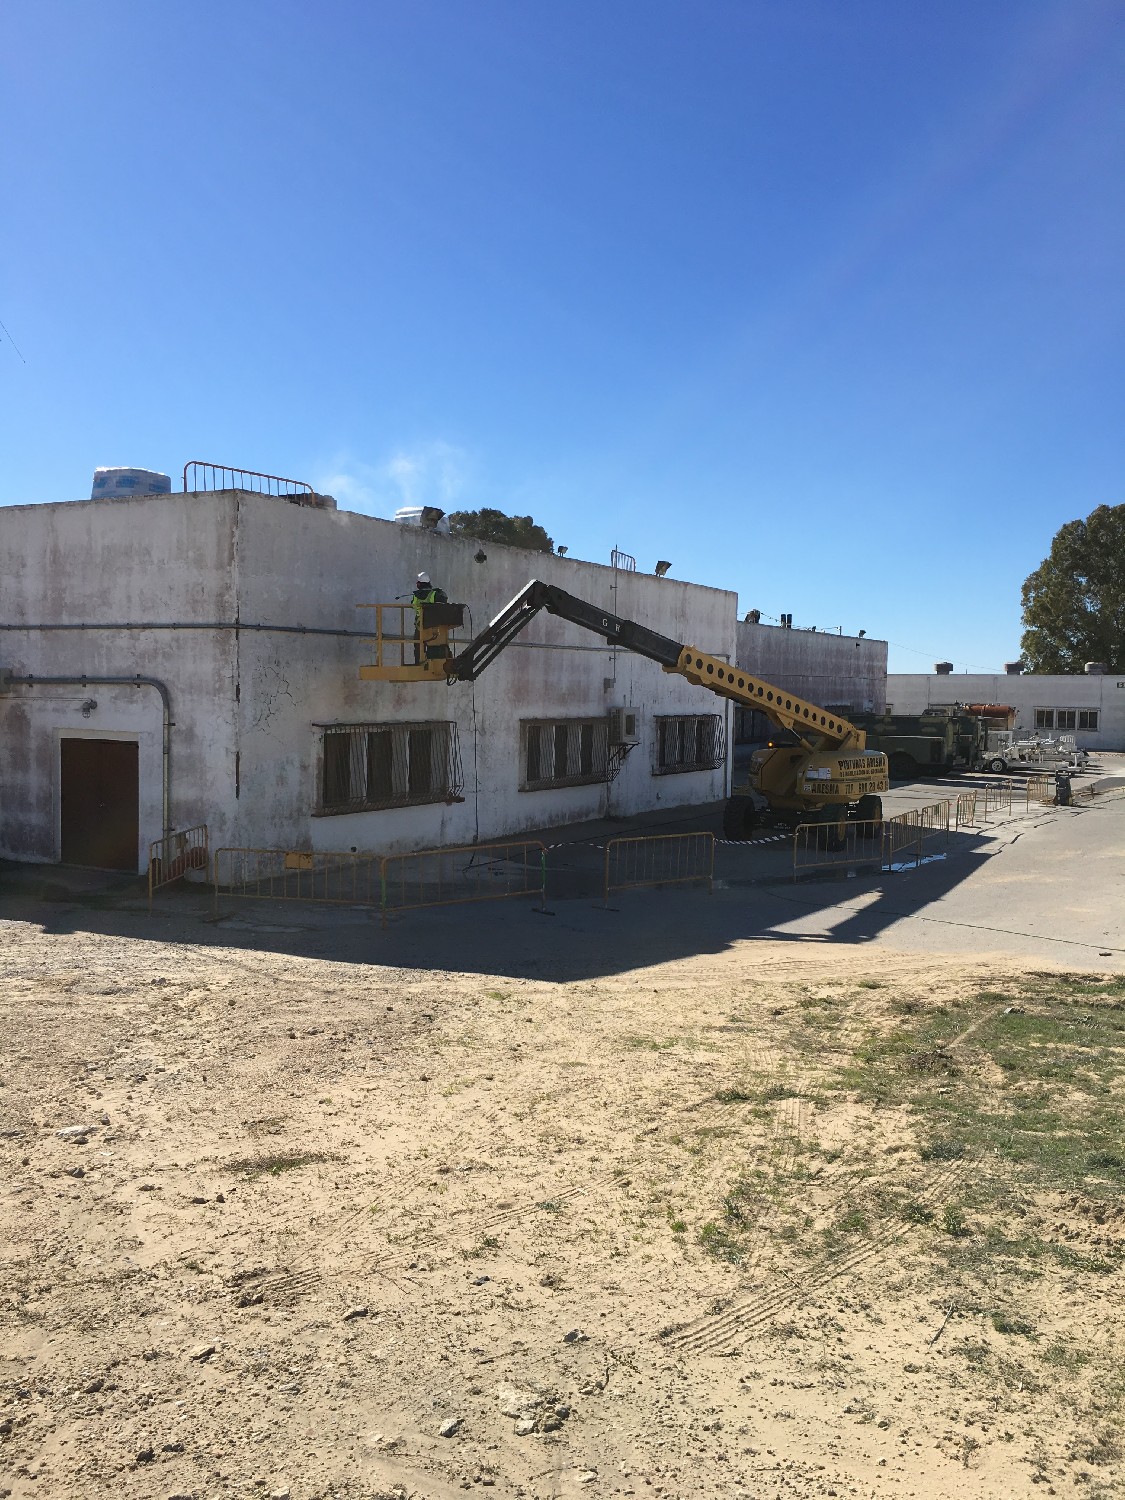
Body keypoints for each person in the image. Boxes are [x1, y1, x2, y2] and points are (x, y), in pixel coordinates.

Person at [410, 571, 448, 662]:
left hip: (420, 626)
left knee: (418, 646)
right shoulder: (434, 594)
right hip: (433, 625)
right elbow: (443, 602)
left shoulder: (415, 596)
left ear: (419, 583)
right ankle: (435, 663)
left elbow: (413, 606)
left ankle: (419, 663)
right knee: (435, 645)